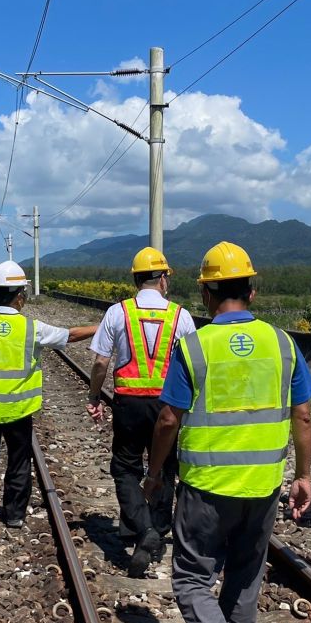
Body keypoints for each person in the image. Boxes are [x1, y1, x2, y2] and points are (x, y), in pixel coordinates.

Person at [146, 242, 311, 623]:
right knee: (244, 579)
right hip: (262, 487)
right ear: (252, 289)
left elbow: (168, 417)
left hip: (206, 490)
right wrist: (302, 476)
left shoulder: (195, 345)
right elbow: (303, 415)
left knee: (192, 580)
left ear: (205, 292)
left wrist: (155, 473)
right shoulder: (283, 344)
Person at [0, 261, 95, 550]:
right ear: (19, 295)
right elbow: (69, 335)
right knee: (19, 460)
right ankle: (14, 516)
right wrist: (101, 325)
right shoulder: (32, 327)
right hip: (19, 410)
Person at [85, 247, 198, 576]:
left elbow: (101, 362)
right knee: (163, 466)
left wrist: (94, 395)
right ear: (162, 278)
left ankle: (140, 528)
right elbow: (193, 365)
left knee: (125, 469)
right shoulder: (182, 316)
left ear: (136, 279)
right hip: (168, 405)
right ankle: (158, 529)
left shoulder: (117, 313)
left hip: (129, 403)